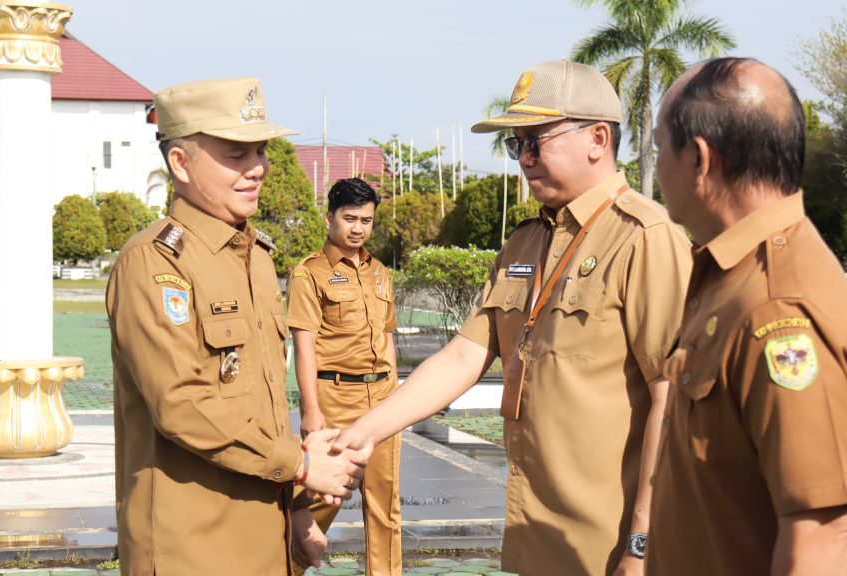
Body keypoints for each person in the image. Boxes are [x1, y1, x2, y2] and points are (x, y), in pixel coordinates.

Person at [335, 59, 693, 575]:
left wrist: (641, 545)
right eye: (516, 144)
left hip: (608, 545)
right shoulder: (526, 241)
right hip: (537, 533)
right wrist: (364, 431)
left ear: (597, 139)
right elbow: (463, 356)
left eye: (536, 142)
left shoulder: (644, 238)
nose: (524, 158)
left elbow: (672, 398)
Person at [106, 77, 370, 576]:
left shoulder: (256, 258)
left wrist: (297, 509)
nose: (258, 168)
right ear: (180, 163)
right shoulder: (154, 263)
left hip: (263, 535)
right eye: (235, 154)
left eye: (261, 151)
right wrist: (302, 465)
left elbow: (263, 402)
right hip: (192, 547)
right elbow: (182, 405)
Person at [648, 57, 847, 575]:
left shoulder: (777, 308)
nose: (656, 168)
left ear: (698, 159)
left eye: (658, 148)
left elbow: (821, 537)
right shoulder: (730, 274)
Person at [286, 177, 401, 575]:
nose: (358, 228)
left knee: (385, 505)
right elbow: (304, 345)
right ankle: (285, 566)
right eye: (349, 218)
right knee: (320, 497)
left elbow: (387, 337)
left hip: (382, 398)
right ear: (329, 219)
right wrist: (311, 410)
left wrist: (396, 394)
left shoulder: (380, 272)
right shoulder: (309, 274)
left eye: (366, 220)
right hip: (334, 397)